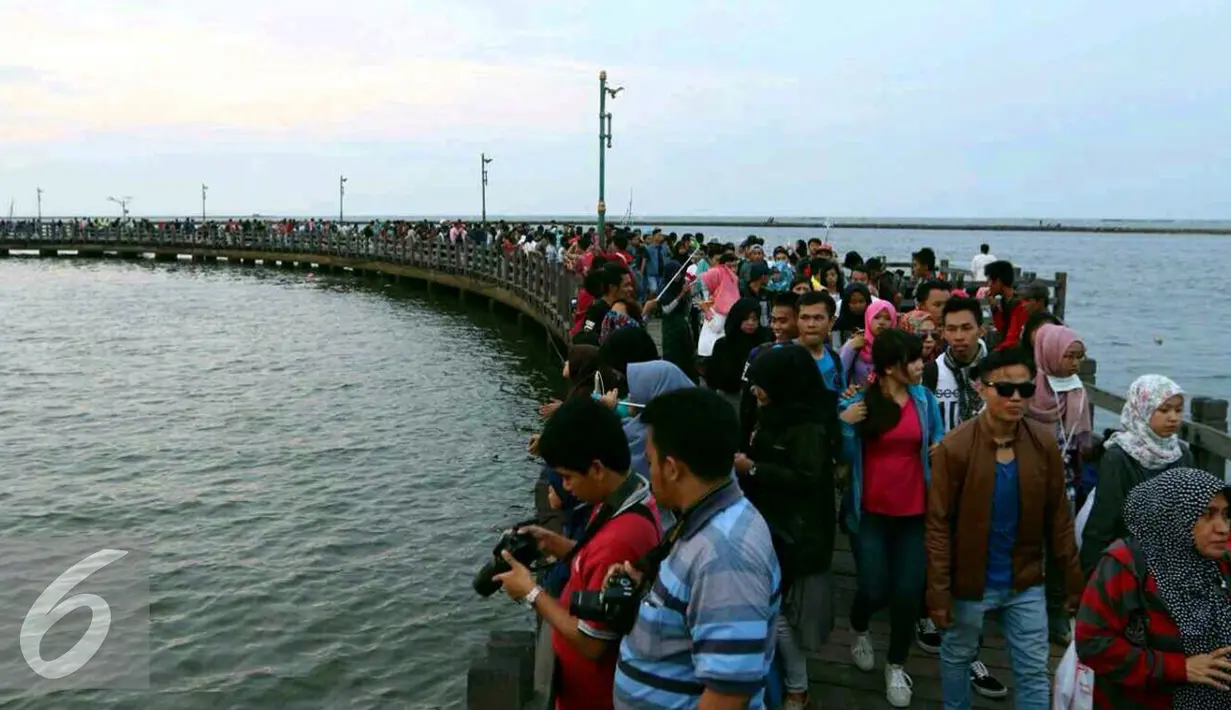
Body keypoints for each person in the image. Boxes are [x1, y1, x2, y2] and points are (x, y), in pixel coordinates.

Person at [925, 346, 1083, 710]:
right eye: (1005, 389)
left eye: (1025, 390)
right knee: (957, 656)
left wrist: (1072, 583)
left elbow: (1059, 519)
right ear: (981, 388)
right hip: (969, 582)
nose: (1016, 398)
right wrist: (937, 591)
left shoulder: (1043, 444)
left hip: (1025, 579)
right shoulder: (955, 448)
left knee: (1032, 671)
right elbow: (937, 528)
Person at [614, 388, 781, 710]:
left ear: (673, 468)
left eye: (650, 461)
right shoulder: (706, 518)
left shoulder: (725, 556)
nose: (647, 472)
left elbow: (728, 694)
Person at [494, 398, 662, 710]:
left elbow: (593, 642)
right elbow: (596, 562)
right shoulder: (625, 494)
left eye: (568, 476)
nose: (566, 487)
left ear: (596, 469)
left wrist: (530, 592)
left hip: (593, 696)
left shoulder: (622, 537)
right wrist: (555, 543)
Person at [839, 329, 944, 708]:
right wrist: (846, 424)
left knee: (907, 592)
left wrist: (939, 449)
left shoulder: (924, 400)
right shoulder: (861, 401)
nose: (921, 364)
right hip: (870, 513)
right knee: (873, 587)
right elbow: (844, 457)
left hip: (915, 513)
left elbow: (938, 437)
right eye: (913, 359)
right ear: (888, 366)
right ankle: (860, 627)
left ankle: (895, 665)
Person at [1076, 467, 1231, 709]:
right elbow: (1093, 643)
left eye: (1225, 515)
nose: (1222, 528)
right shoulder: (1126, 566)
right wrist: (1178, 668)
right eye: (1207, 515)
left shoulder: (1219, 562)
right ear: (1174, 516)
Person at [738, 345, 841, 710]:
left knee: (779, 611)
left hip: (796, 531)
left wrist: (752, 468)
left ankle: (798, 684)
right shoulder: (771, 413)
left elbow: (807, 479)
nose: (755, 390)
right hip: (771, 524)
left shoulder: (808, 427)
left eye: (762, 384)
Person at [916, 297, 1006, 699]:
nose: (956, 337)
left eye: (965, 328)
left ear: (980, 328)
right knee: (939, 555)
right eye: (949, 329)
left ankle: (971, 653)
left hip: (990, 483)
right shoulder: (933, 373)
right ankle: (929, 617)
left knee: (978, 569)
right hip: (944, 482)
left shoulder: (1000, 373)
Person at [1079, 375, 1195, 575]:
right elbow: (1104, 519)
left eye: (1178, 410)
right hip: (1129, 561)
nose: (1173, 417)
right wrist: (1091, 572)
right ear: (1142, 410)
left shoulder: (1182, 453)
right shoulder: (1119, 456)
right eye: (1164, 410)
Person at [705, 298, 771, 415]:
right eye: (746, 319)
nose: (751, 323)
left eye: (754, 319)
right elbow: (713, 377)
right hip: (731, 398)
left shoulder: (764, 340)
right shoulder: (723, 345)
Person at [645, 260, 698, 382]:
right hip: (670, 326)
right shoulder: (664, 287)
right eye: (676, 273)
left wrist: (687, 294)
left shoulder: (681, 284)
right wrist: (681, 294)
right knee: (673, 355)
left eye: (680, 273)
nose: (679, 276)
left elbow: (687, 308)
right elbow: (666, 310)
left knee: (687, 355)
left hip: (682, 325)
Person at [839, 298, 897, 389]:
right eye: (876, 317)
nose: (881, 322)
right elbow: (839, 372)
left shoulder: (897, 346)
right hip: (857, 397)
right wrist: (849, 348)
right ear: (868, 318)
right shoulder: (857, 343)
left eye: (888, 318)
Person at [984, 260, 1028, 350]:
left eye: (989, 281)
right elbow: (1002, 329)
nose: (988, 285)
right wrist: (994, 308)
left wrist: (996, 353)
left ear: (998, 281)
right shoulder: (1006, 301)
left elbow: (1012, 338)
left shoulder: (1020, 305)